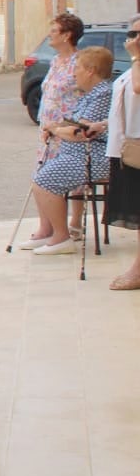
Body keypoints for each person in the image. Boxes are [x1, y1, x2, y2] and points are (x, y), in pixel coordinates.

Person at [23, 47, 113, 255]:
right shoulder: (90, 93)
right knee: (41, 176)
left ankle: (61, 237)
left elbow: (81, 132)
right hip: (76, 154)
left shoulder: (103, 93)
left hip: (93, 156)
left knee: (45, 183)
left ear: (91, 70)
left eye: (78, 68)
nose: (74, 73)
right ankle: (49, 232)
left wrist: (56, 129)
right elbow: (72, 124)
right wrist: (55, 128)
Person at [24, 13, 86, 243]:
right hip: (47, 127)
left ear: (67, 35)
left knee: (73, 178)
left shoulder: (79, 62)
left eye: (54, 30)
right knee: (42, 174)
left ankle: (75, 222)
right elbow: (48, 93)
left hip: (68, 127)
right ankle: (45, 226)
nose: (50, 34)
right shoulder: (54, 61)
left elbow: (84, 95)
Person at [101, 20, 140, 289]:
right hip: (124, 148)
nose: (133, 39)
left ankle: (137, 271)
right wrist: (101, 125)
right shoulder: (133, 66)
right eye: (131, 34)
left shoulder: (137, 64)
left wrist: (136, 55)